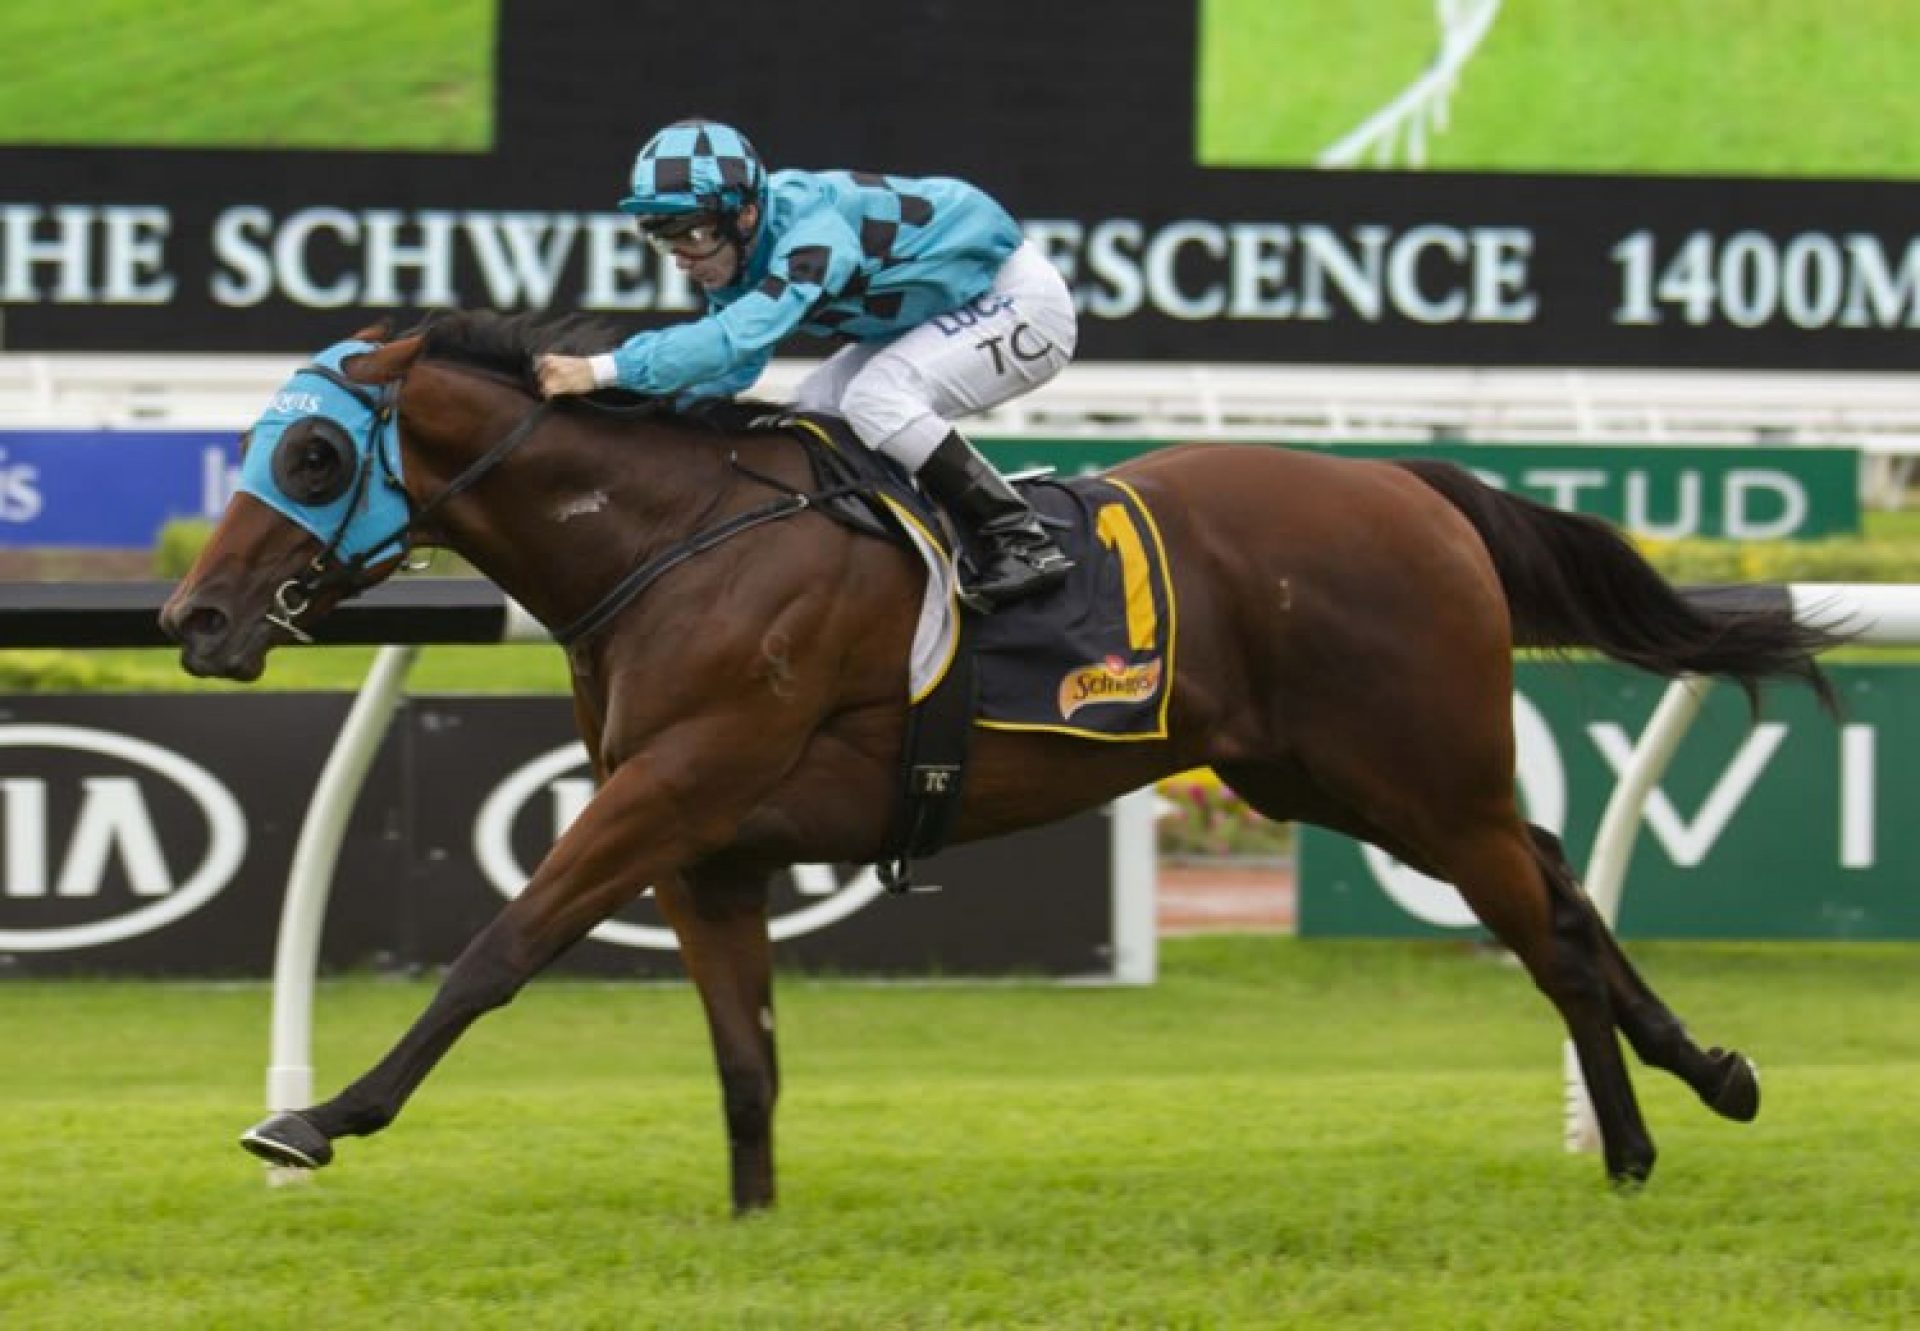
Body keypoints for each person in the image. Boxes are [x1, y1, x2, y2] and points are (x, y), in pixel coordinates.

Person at [536, 118, 1076, 610]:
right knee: (811, 412)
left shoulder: (814, 233)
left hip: (1016, 302)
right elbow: (736, 369)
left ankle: (1022, 538)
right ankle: (892, 556)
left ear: (745, 214)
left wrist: (603, 371)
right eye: (665, 238)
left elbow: (730, 340)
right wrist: (642, 412)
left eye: (695, 232)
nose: (684, 256)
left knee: (877, 398)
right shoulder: (739, 248)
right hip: (941, 308)